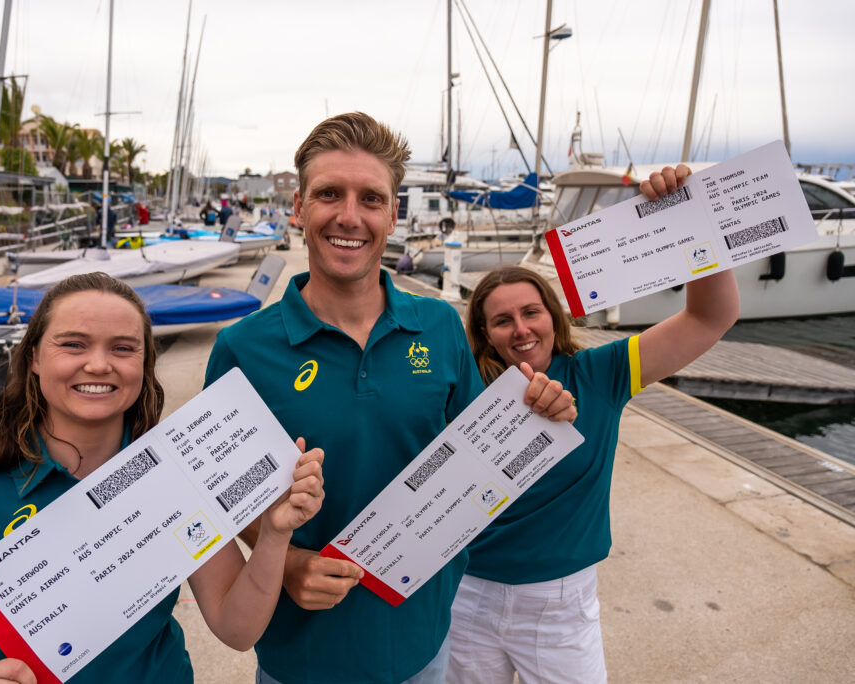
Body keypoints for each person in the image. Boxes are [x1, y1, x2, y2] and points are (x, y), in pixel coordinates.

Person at [204, 112, 575, 684]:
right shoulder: (242, 349)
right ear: (299, 207)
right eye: (329, 194)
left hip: (422, 644)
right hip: (302, 660)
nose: (349, 216)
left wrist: (540, 416)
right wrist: (289, 563)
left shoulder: (441, 326)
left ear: (393, 214)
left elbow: (480, 465)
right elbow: (223, 499)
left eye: (371, 199)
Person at [0, 272, 325, 684]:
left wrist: (274, 535)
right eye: (73, 344)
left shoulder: (181, 472)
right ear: (34, 358)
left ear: (144, 366)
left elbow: (237, 630)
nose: (98, 364)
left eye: (123, 348)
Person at [446, 165, 740, 684]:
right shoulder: (463, 386)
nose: (520, 329)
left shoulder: (601, 373)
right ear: (485, 333)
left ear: (553, 317)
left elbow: (708, 318)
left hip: (559, 603)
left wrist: (690, 217)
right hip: (468, 594)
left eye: (532, 312)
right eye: (502, 321)